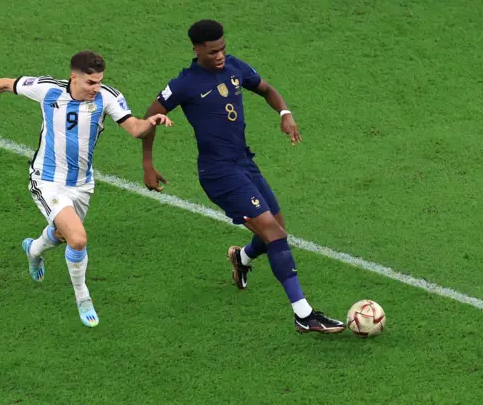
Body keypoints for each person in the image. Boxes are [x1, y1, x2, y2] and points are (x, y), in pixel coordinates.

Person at [140, 20, 345, 333]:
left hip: (244, 163)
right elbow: (149, 118)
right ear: (196, 50)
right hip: (218, 173)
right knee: (275, 236)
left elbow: (266, 89)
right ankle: (304, 315)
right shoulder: (185, 83)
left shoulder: (235, 67)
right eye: (212, 52)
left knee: (277, 229)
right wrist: (148, 165)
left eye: (222, 48)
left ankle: (242, 258)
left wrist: (284, 113)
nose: (220, 55)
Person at [0, 50, 173, 328]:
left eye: (99, 81)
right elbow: (6, 83)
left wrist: (151, 122)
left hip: (81, 186)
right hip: (46, 180)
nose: (96, 88)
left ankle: (34, 251)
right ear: (73, 78)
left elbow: (135, 129)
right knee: (77, 239)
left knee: (61, 234)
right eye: (90, 83)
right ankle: (83, 297)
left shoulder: (107, 98)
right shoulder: (48, 90)